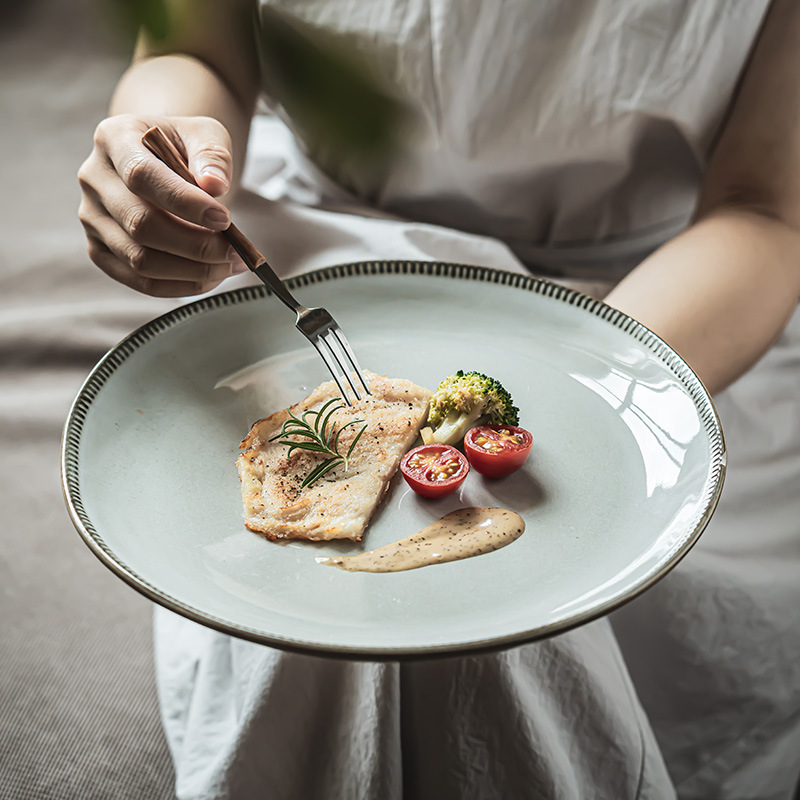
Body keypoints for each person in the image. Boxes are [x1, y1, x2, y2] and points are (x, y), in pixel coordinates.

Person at [78, 1, 800, 797]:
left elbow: (764, 207)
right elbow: (197, 54)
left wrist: (599, 376)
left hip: (661, 305)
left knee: (508, 626)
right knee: (333, 615)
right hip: (323, 246)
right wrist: (159, 156)